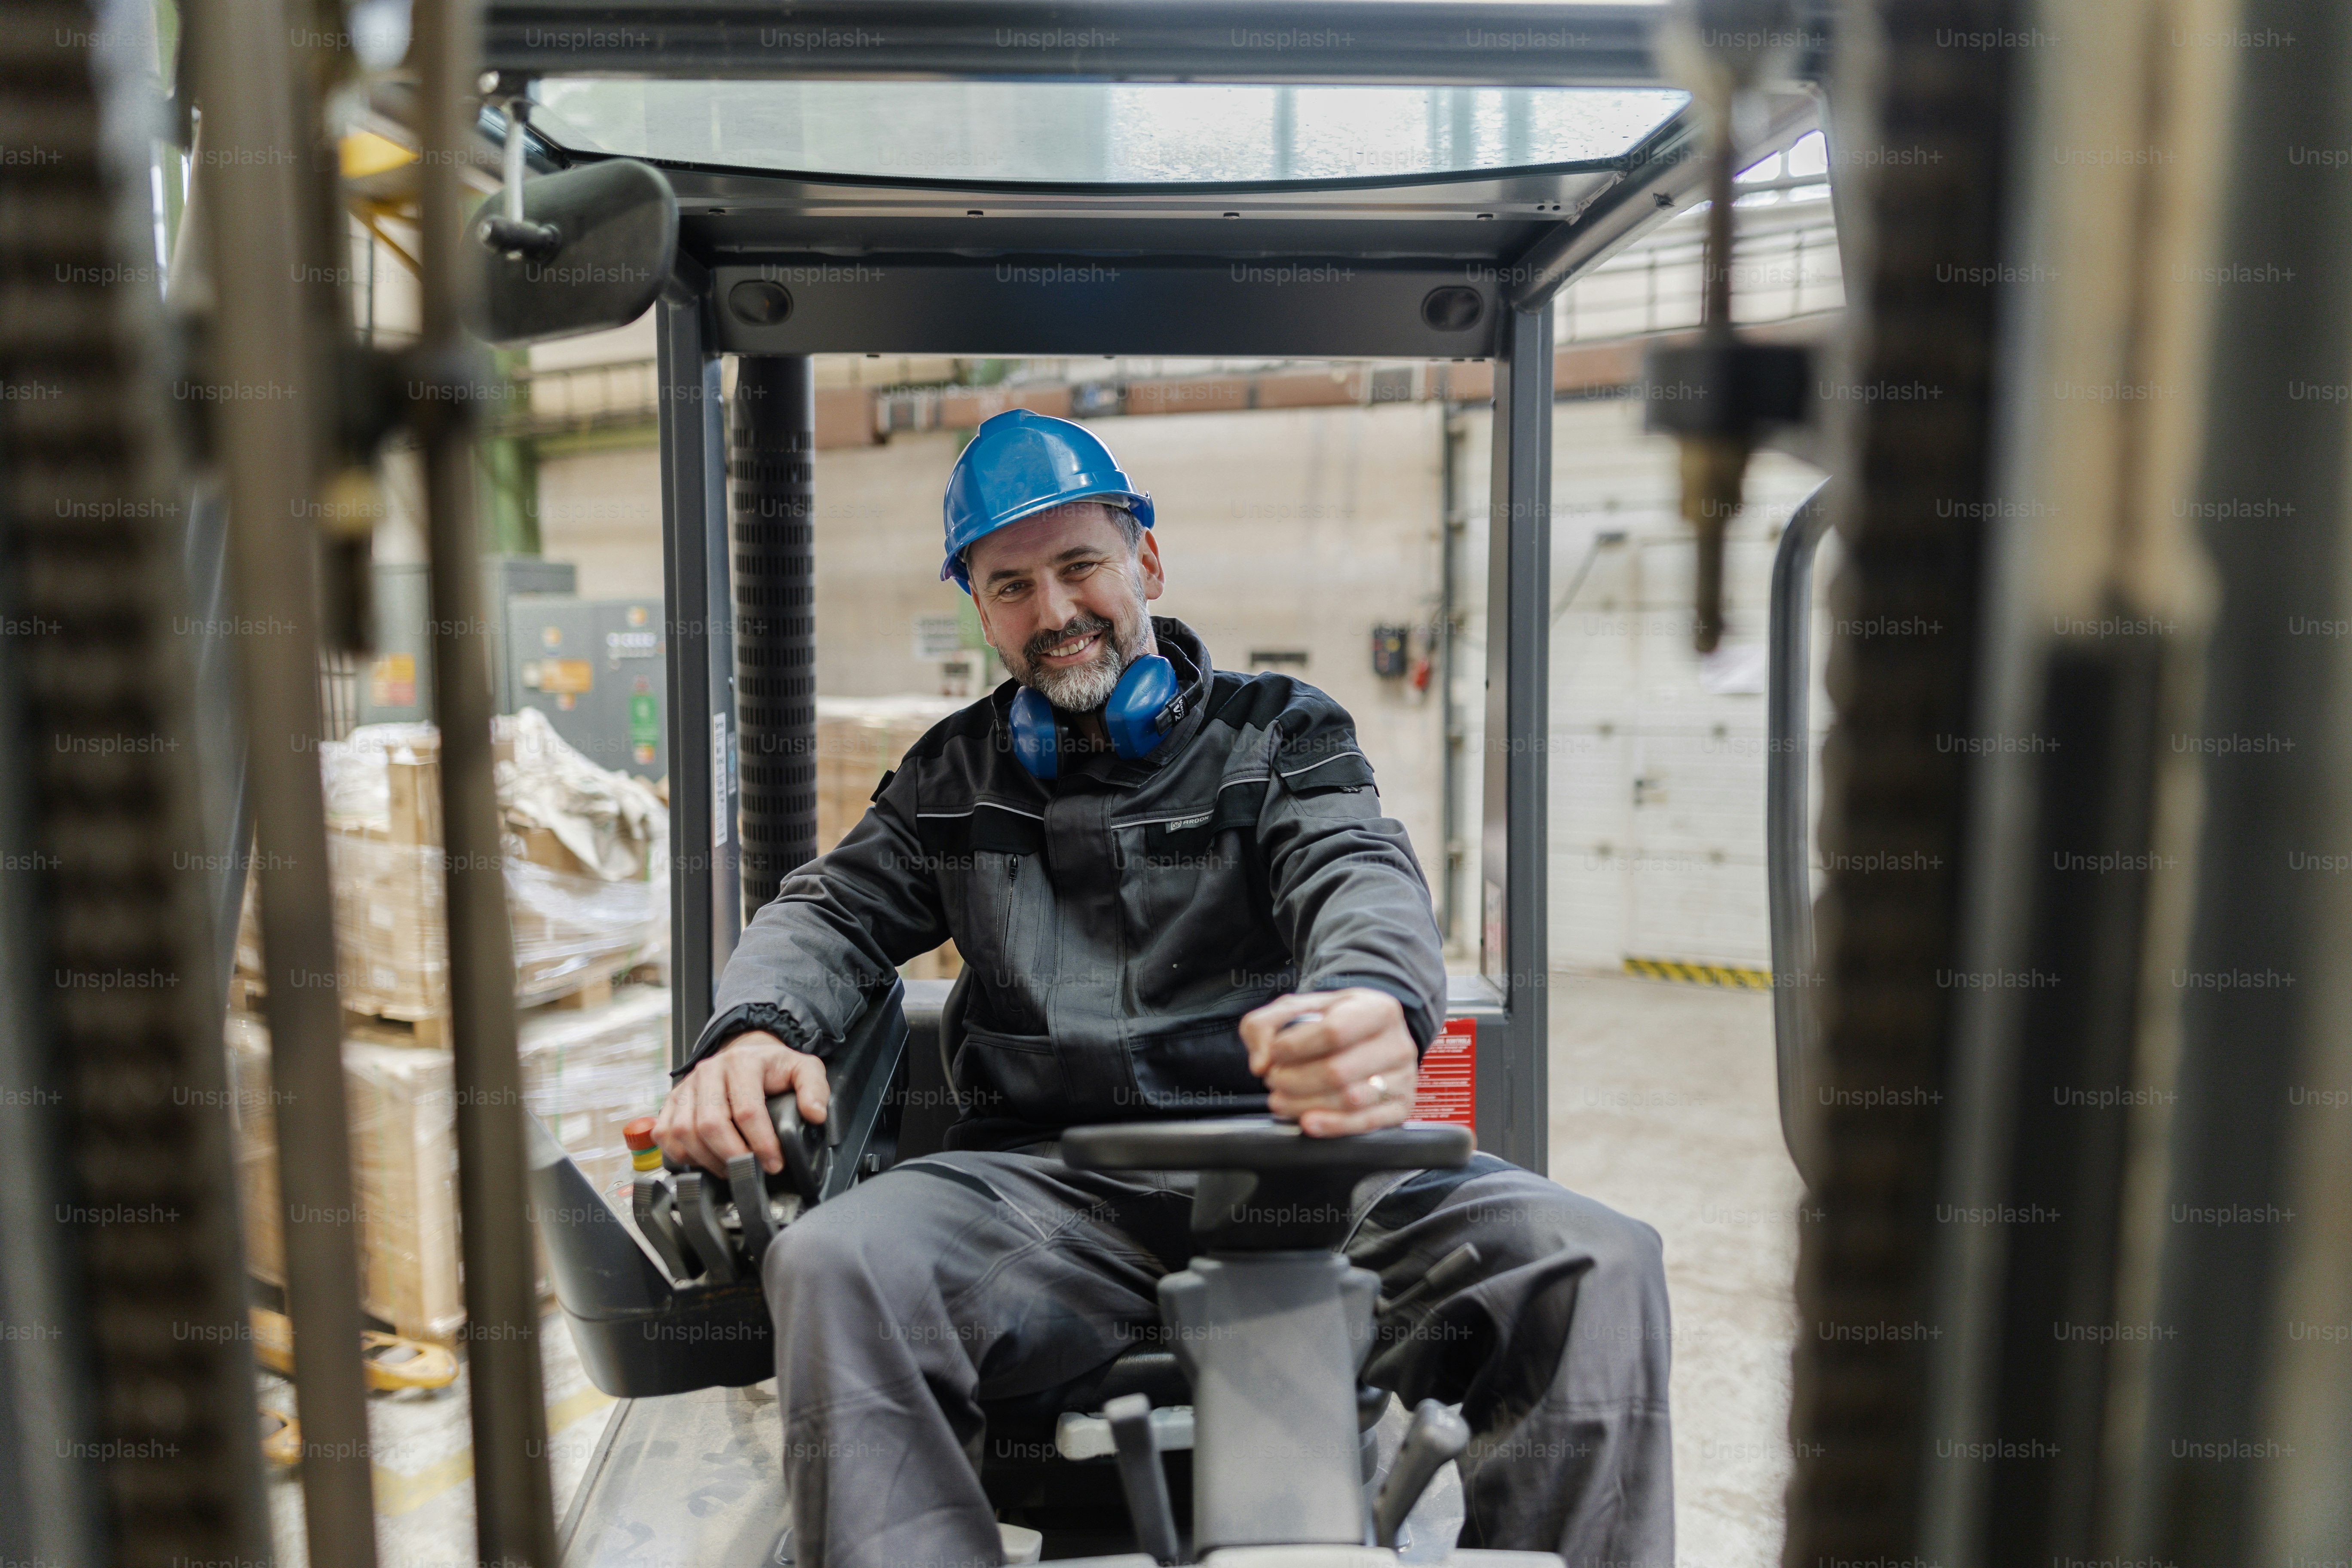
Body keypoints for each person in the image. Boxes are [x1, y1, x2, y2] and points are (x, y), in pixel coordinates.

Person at [652, 410, 1672, 1568]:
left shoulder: (1280, 732)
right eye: (1010, 587)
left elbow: (1355, 866)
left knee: (1592, 1262)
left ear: (1144, 557)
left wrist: (1376, 999)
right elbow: (828, 912)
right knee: (832, 1266)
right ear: (980, 610)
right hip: (1042, 1194)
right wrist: (750, 1031)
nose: (1054, 612)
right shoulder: (952, 775)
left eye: (1079, 565)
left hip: (1300, 1170)